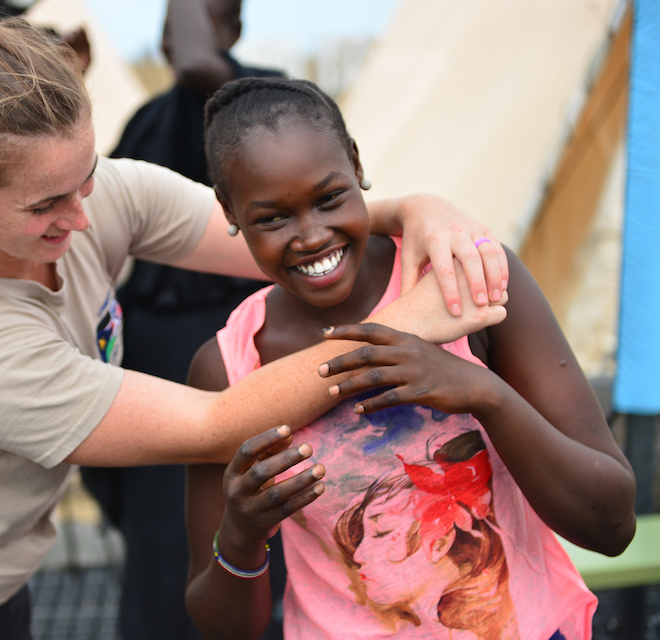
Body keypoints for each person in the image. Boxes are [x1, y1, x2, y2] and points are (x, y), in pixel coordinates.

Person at [0, 4, 509, 638]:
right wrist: (409, 325)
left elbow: (276, 235)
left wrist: (416, 209)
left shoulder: (94, 197)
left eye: (87, 175)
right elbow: (214, 424)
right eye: (45, 206)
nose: (84, 215)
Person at [183, 77, 637, 640]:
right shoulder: (228, 368)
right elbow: (223, 628)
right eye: (273, 218)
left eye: (329, 199)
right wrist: (240, 534)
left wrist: (483, 393)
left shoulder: (470, 283)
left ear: (356, 164)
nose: (311, 236)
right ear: (228, 210)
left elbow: (612, 523)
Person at [79, 1, 284, 638]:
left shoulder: (262, 103)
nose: (175, 38)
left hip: (239, 355)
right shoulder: (146, 121)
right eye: (167, 24)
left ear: (232, 31)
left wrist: (193, 27)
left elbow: (199, 61)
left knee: (239, 540)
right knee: (160, 555)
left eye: (191, 16)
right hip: (151, 362)